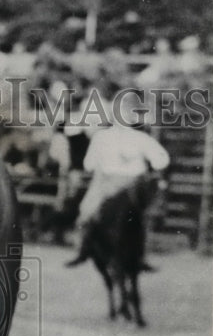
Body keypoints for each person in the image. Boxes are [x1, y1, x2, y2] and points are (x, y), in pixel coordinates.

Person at [66, 90, 170, 267]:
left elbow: (162, 159)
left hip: (129, 182)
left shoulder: (138, 138)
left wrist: (146, 166)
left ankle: (136, 254)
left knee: (128, 215)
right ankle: (83, 249)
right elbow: (89, 164)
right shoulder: (102, 137)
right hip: (107, 180)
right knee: (86, 209)